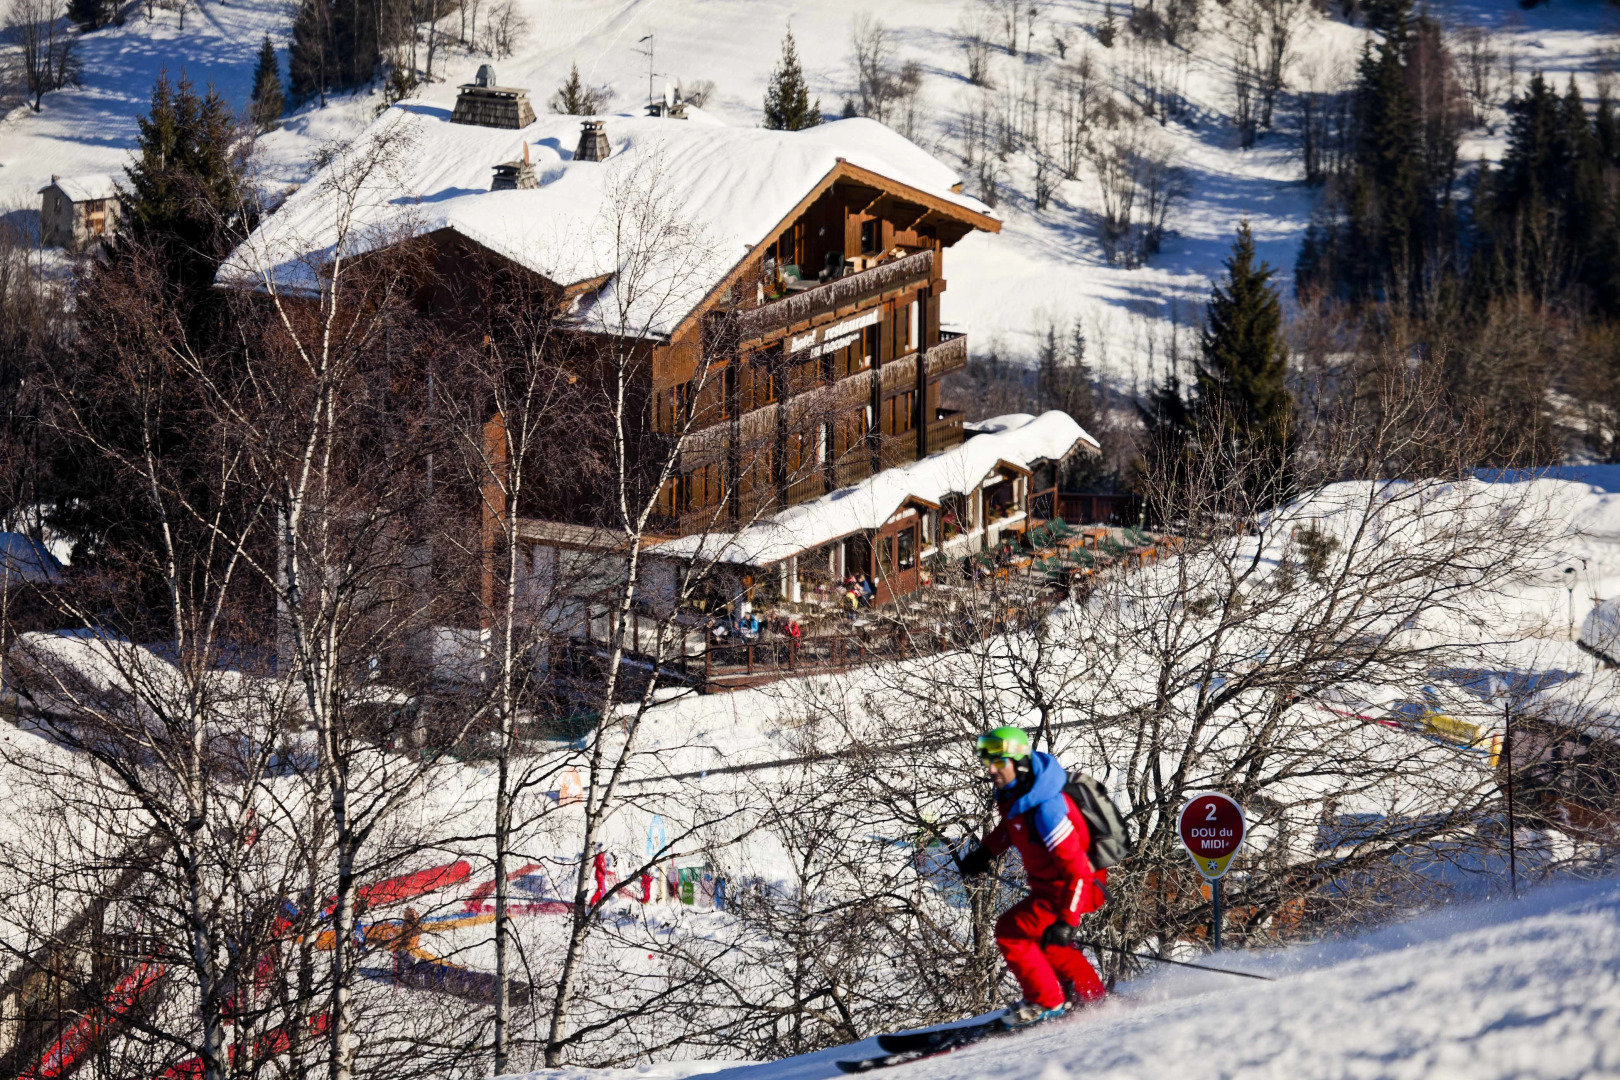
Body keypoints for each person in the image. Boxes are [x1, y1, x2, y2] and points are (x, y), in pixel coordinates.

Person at [959, 726, 1107, 1026]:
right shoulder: (1015, 793)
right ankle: (1093, 998)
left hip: (1074, 886)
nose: (991, 770)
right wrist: (987, 852)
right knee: (1048, 943)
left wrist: (1067, 919)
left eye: (999, 763)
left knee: (1011, 930)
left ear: (1020, 763)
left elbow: (1077, 871)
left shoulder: (1047, 810)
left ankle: (1045, 1002)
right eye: (988, 762)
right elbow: (1011, 827)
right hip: (1054, 886)